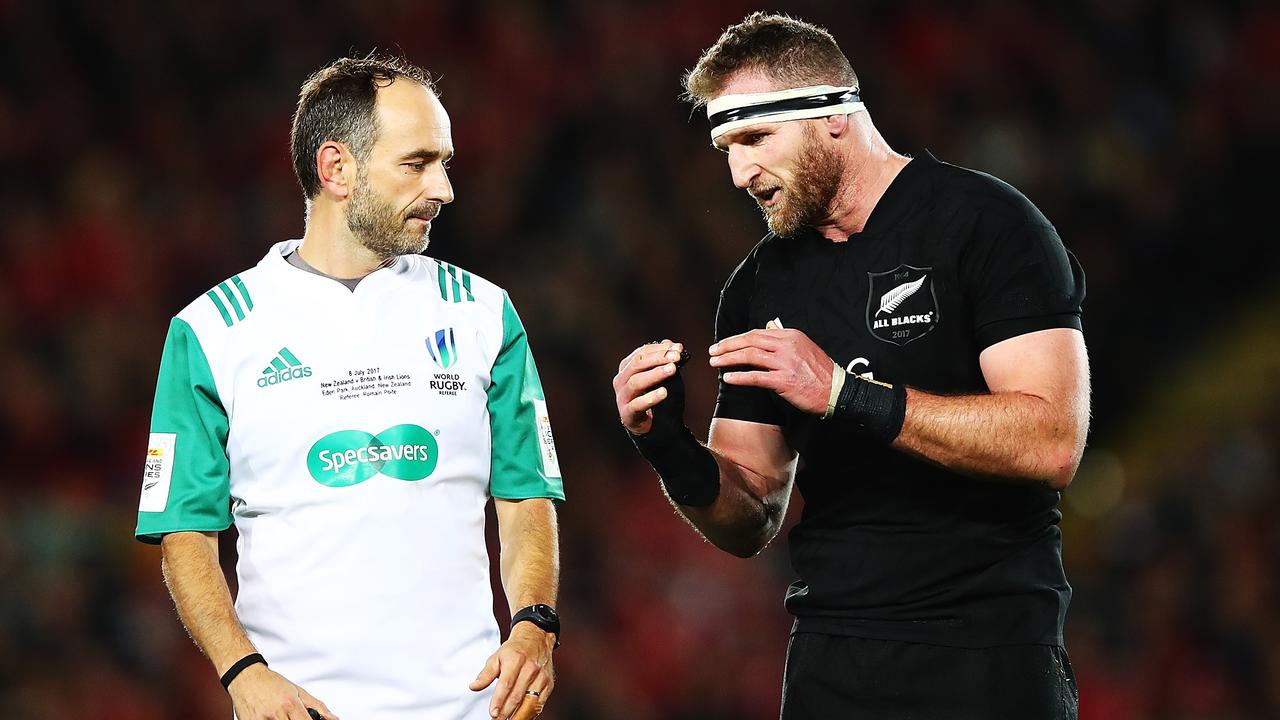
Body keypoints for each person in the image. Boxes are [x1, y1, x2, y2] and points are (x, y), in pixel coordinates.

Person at [612, 13, 1088, 720]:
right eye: (725, 147)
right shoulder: (759, 288)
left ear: (832, 114)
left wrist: (843, 393)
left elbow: (1051, 441)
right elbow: (751, 516)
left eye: (753, 137)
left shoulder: (988, 225)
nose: (739, 173)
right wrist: (670, 448)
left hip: (990, 653)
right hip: (833, 660)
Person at [136, 54, 564, 720]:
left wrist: (534, 623)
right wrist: (242, 674)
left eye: (444, 162)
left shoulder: (483, 314)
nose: (444, 188)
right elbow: (184, 535)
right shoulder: (212, 330)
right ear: (337, 168)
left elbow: (524, 495)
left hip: (467, 708)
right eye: (417, 163)